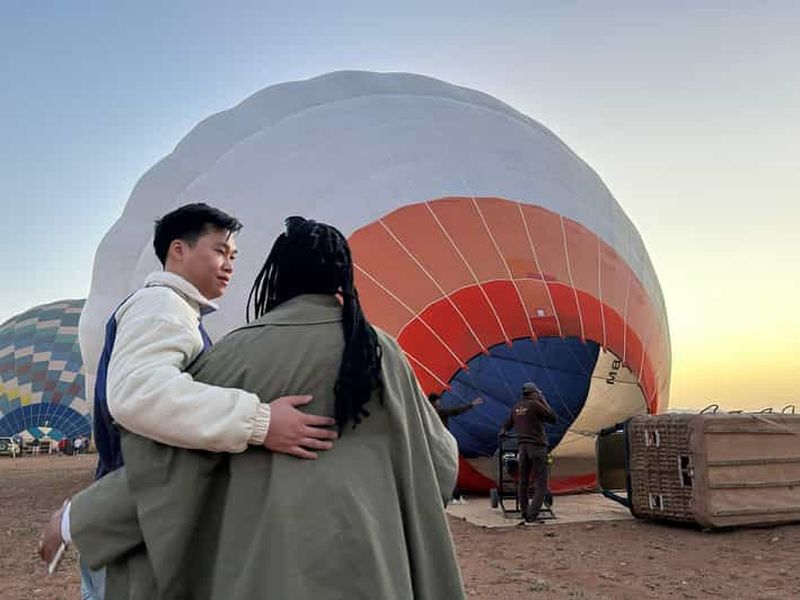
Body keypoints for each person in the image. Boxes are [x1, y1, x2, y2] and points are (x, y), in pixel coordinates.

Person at [44, 216, 465, 599]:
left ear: (275, 276)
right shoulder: (381, 352)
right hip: (377, 572)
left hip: (261, 572)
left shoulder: (235, 356)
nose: (228, 264)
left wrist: (77, 518)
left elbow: (167, 468)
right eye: (221, 252)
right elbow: (441, 464)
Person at [39, 204, 337, 599]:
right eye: (219, 251)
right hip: (138, 519)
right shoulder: (160, 305)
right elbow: (138, 394)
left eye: (233, 256)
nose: (229, 264)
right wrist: (260, 422)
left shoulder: (178, 311)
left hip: (144, 511)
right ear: (177, 250)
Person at [499, 382, 556, 522]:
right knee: (541, 483)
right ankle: (532, 515)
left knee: (523, 482)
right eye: (538, 393)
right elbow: (553, 418)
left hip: (522, 448)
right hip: (537, 447)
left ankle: (524, 512)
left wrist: (504, 433)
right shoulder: (535, 405)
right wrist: (544, 401)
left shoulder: (516, 407)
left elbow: (505, 427)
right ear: (534, 393)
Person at [428, 392, 482, 503]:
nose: (440, 402)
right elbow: (455, 411)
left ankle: (449, 496)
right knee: (449, 468)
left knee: (443, 470)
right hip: (442, 444)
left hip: (435, 444)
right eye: (438, 400)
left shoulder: (427, 412)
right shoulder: (438, 412)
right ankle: (454, 496)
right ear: (434, 402)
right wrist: (471, 404)